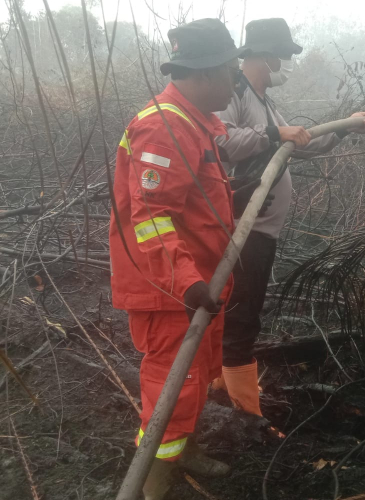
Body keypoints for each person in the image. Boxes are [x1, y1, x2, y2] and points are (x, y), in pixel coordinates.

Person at [109, 18, 254, 499]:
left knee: (196, 376)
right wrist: (188, 283)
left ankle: (182, 453)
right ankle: (152, 484)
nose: (236, 80)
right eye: (232, 70)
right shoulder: (163, 128)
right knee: (172, 386)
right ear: (206, 72)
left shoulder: (195, 122)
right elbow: (151, 218)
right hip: (170, 291)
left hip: (196, 285)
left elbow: (196, 202)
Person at [212, 18, 365, 416]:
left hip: (261, 232)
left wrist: (346, 126)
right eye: (284, 55)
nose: (286, 63)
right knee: (242, 318)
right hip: (241, 231)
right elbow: (219, 141)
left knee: (240, 313)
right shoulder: (234, 91)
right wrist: (272, 135)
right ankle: (243, 413)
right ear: (265, 55)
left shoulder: (264, 101)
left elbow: (301, 143)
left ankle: (219, 391)